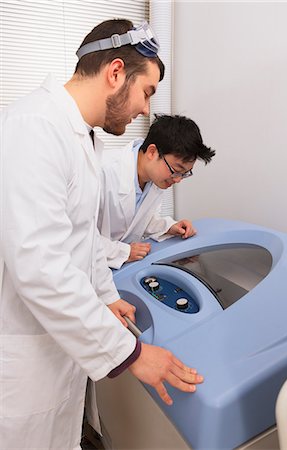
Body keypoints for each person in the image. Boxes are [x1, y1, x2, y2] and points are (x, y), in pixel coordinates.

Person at [0, 19, 203, 450]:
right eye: (147, 91)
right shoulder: (34, 127)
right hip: (21, 360)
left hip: (57, 355)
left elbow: (83, 237)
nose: (147, 110)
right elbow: (41, 267)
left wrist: (106, 296)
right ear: (115, 73)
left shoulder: (85, 141)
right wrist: (131, 354)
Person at [98, 114, 216, 269]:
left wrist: (167, 227)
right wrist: (121, 252)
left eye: (185, 173)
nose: (178, 180)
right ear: (152, 152)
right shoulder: (102, 170)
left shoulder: (153, 179)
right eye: (176, 170)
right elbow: (77, 235)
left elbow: (135, 219)